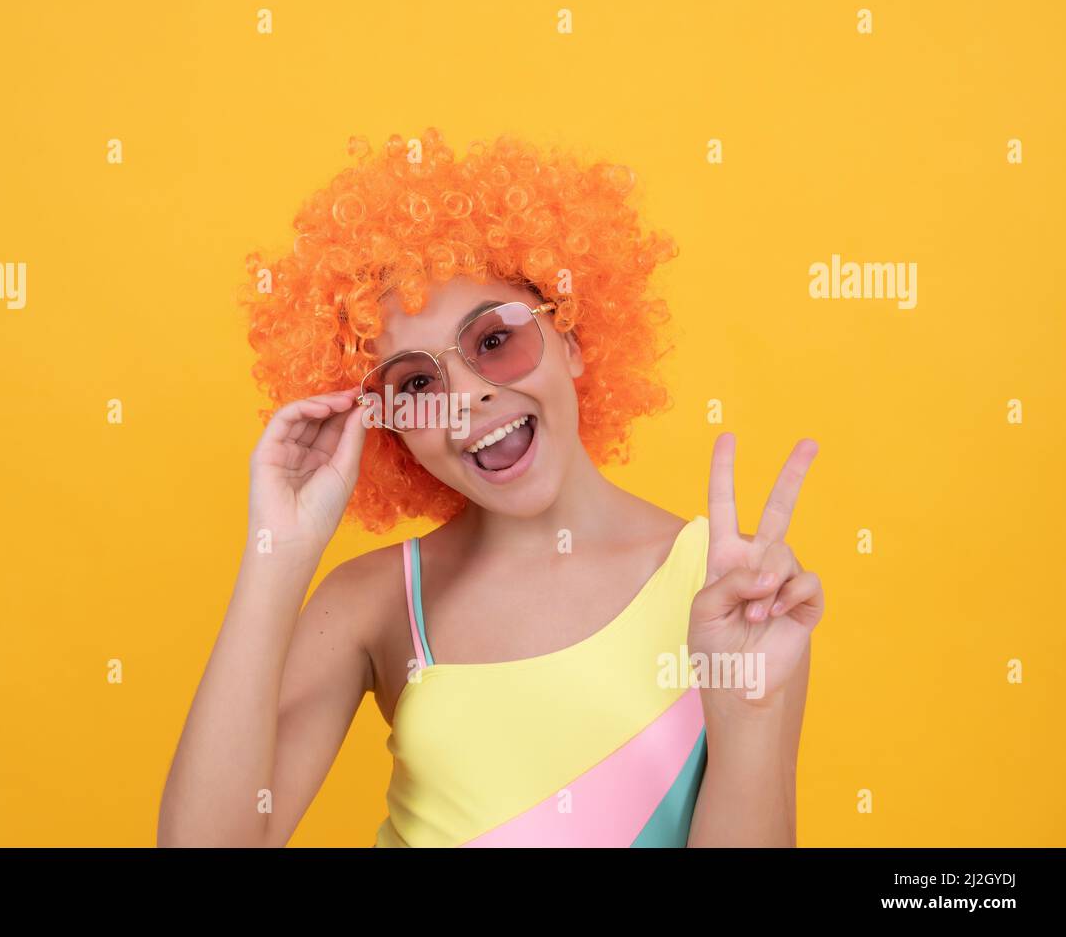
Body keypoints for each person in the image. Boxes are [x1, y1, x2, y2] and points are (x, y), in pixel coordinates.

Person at [157, 128, 825, 847]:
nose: (467, 397)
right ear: (386, 424)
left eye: (496, 340)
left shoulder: (731, 592)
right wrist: (276, 552)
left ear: (571, 338)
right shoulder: (373, 604)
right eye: (416, 382)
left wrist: (748, 716)